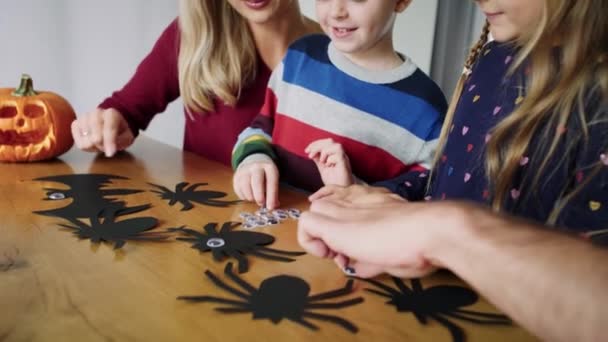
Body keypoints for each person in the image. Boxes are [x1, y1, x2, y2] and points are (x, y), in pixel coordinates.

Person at [297, 0, 608, 340]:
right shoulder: (492, 58)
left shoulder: (598, 95)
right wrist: (383, 197)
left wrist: (443, 231)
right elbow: (446, 178)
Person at [231, 0, 446, 209]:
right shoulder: (299, 57)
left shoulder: (426, 108)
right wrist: (253, 159)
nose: (337, 11)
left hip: (347, 241)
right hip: (266, 231)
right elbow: (260, 128)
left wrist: (353, 190)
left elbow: (421, 203)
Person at [70, 0, 320, 166]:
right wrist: (106, 126)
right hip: (207, 235)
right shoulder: (195, 39)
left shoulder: (340, 51)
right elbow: (126, 110)